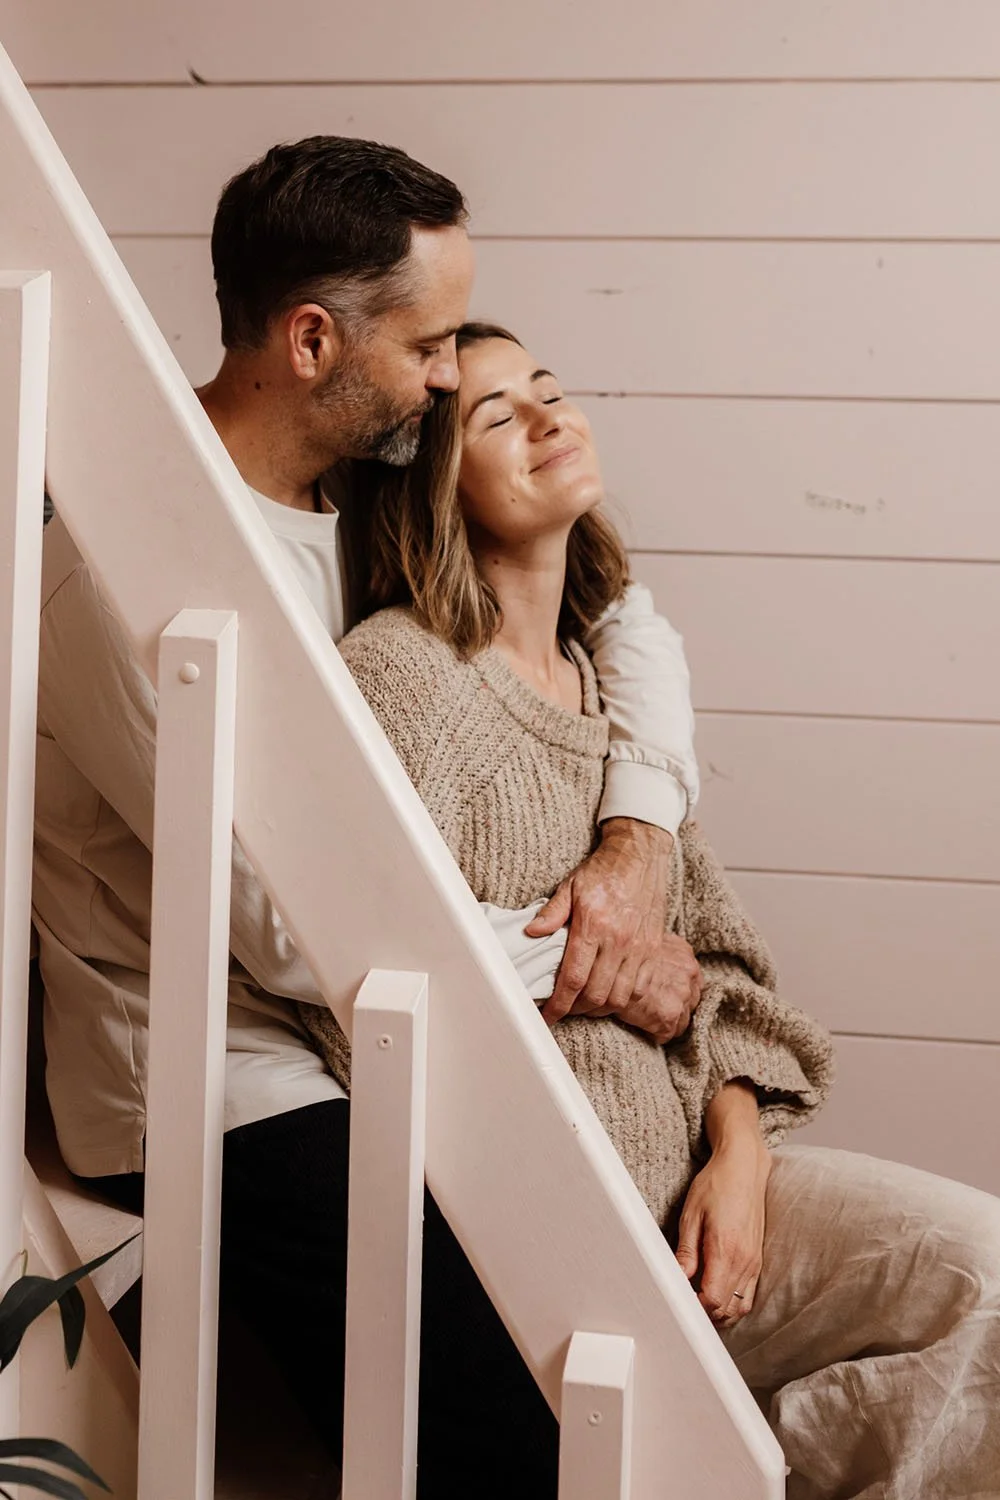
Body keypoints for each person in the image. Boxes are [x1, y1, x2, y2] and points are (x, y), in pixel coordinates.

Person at [32, 139, 702, 1493]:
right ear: (312, 337)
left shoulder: (364, 493)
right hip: (218, 1077)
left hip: (380, 1012)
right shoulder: (116, 568)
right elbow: (291, 924)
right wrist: (594, 963)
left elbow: (619, 612)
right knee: (513, 1433)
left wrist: (635, 844)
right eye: (433, 342)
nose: (453, 376)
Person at [302, 321, 1000, 1500]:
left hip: (706, 1189)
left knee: (980, 1277)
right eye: (494, 415)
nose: (546, 417)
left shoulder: (611, 693)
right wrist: (596, 970)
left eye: (551, 390)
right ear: (432, 485)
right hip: (556, 1237)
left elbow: (717, 973)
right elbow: (356, 989)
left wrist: (737, 1160)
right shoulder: (403, 676)